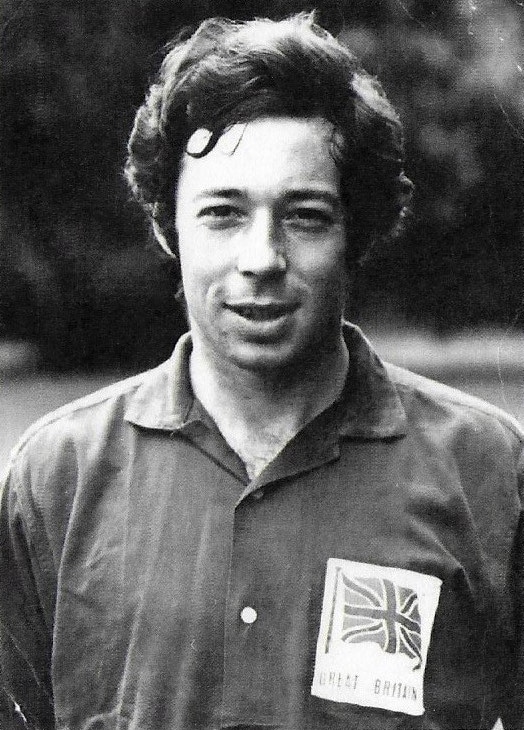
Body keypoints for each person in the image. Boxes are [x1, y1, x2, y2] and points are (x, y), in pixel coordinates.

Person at [1, 12, 523, 730]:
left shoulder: (489, 471)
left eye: (304, 216)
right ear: (167, 228)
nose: (261, 258)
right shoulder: (57, 478)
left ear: (356, 233)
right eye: (222, 213)